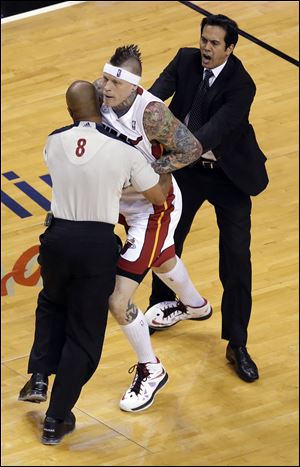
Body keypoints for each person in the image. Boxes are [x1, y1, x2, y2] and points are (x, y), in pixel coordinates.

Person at [18, 80, 173, 445]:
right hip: (95, 245)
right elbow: (157, 197)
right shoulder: (123, 151)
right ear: (99, 107)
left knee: (51, 303)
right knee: (84, 335)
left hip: (56, 238)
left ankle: (39, 373)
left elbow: (75, 160)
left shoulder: (53, 142)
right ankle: (55, 420)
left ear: (70, 110)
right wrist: (164, 163)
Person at [145, 14, 269, 383]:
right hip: (189, 172)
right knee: (166, 241)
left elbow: (205, 138)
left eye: (215, 44)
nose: (206, 48)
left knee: (235, 259)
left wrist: (157, 163)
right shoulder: (185, 60)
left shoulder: (241, 85)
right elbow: (151, 101)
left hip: (228, 176)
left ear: (230, 48)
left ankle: (237, 343)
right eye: (204, 40)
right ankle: (160, 308)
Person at [93, 45, 212, 412]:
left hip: (153, 208)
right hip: (118, 204)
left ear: (132, 86)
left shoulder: (151, 113)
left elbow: (190, 148)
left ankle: (151, 369)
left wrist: (150, 173)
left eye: (114, 82)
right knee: (162, 258)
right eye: (105, 78)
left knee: (117, 299)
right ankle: (196, 305)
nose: (106, 87)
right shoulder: (96, 97)